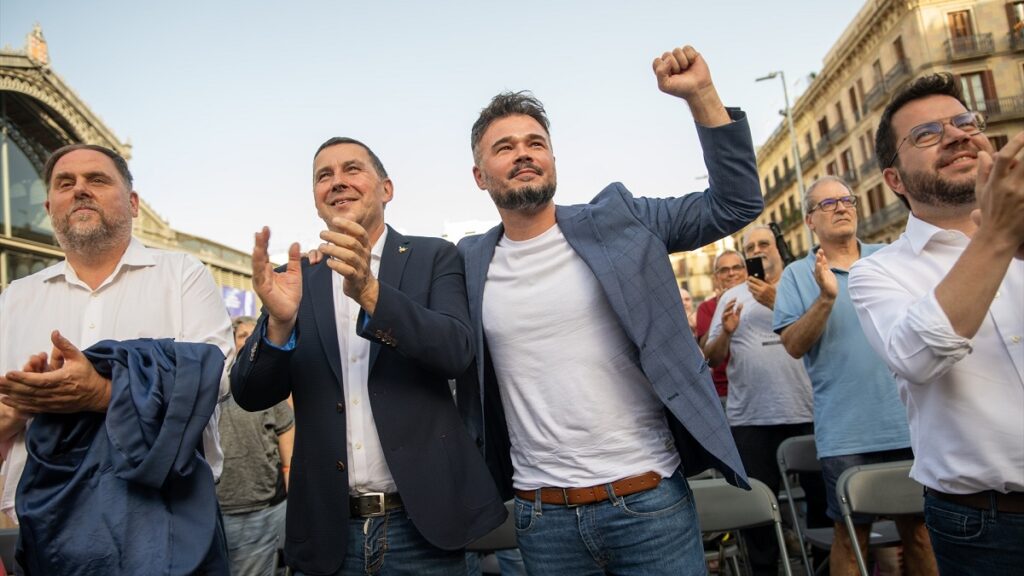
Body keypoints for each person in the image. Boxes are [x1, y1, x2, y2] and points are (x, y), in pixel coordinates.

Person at [457, 44, 761, 575]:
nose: (524, 153)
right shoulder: (466, 262)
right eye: (504, 147)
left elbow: (735, 203)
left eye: (536, 143)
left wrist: (702, 97)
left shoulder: (621, 220)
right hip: (541, 519)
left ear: (553, 158)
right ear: (481, 175)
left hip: (648, 503)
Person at [231, 137, 506, 576]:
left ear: (386, 189)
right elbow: (249, 394)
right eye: (324, 175)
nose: (337, 182)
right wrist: (279, 325)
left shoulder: (434, 256)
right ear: (316, 200)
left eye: (352, 169)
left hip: (423, 530)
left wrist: (372, 293)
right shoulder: (295, 280)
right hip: (328, 533)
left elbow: (457, 351)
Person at [0, 143, 233, 574]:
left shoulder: (182, 274)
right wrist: (19, 406)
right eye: (65, 184)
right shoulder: (16, 297)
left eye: (97, 179)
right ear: (50, 207)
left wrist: (102, 392)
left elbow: (213, 380)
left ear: (133, 203)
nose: (80, 190)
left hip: (166, 524)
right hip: (47, 531)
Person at [848, 73, 1023, 575]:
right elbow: (918, 357)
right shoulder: (877, 273)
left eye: (964, 121)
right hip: (989, 528)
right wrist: (997, 236)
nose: (956, 135)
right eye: (926, 134)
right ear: (895, 180)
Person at [773, 176, 936, 576]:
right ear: (810, 220)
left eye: (846, 200)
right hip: (846, 434)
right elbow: (793, 345)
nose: (841, 207)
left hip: (911, 424)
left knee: (919, 532)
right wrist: (826, 298)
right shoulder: (797, 275)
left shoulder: (892, 258)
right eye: (828, 204)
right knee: (850, 535)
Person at [704, 225, 815, 576]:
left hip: (806, 412)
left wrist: (775, 301)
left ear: (778, 249)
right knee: (758, 516)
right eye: (750, 246)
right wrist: (726, 332)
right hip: (750, 418)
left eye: (763, 243)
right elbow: (711, 357)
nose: (758, 250)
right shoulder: (731, 296)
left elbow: (820, 335)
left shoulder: (803, 284)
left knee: (822, 508)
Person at [218, 316, 295, 576]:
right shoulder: (214, 383)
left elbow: (286, 431)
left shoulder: (267, 387)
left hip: (261, 509)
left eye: (253, 335)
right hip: (216, 508)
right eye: (242, 336)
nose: (248, 340)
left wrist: (289, 479)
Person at [695, 250, 748, 403]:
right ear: (716, 277)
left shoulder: (759, 297)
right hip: (724, 390)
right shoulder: (706, 308)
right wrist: (720, 308)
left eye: (736, 267)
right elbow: (704, 349)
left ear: (745, 271)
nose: (731, 273)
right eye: (724, 270)